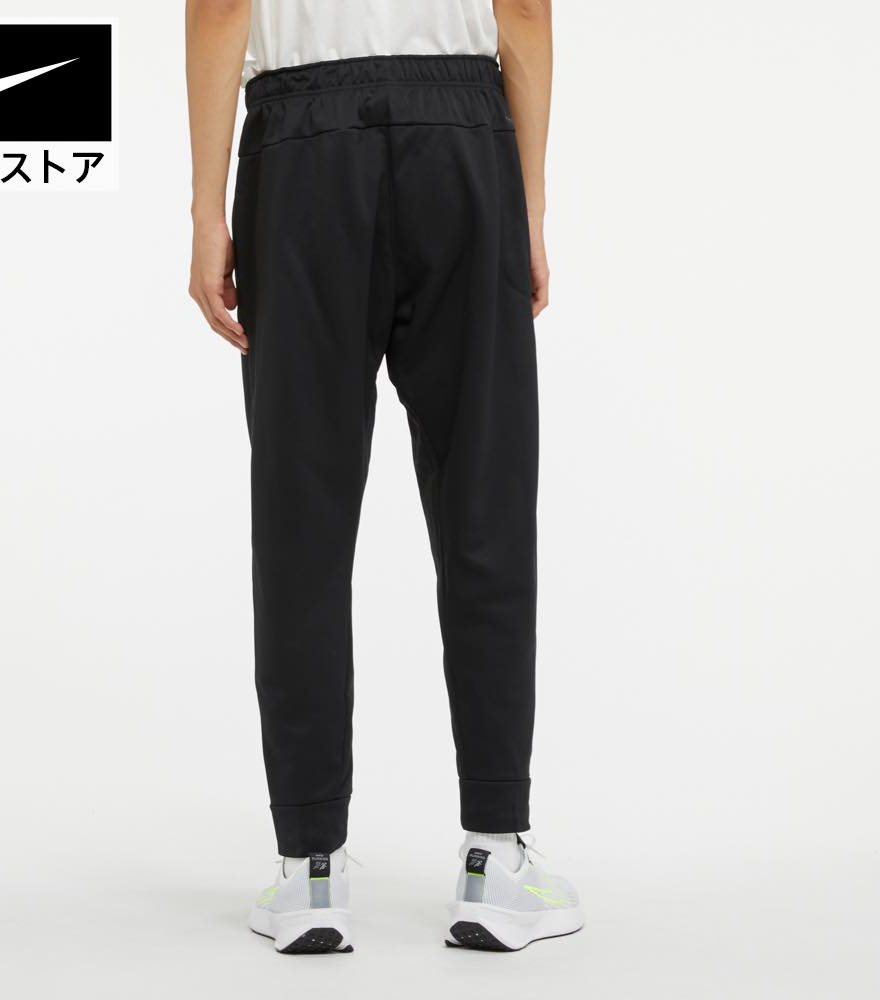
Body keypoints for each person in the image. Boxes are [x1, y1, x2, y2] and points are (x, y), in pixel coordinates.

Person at [186, 0, 583, 953]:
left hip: (299, 150)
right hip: (462, 141)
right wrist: (525, 202)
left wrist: (206, 209)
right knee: (484, 496)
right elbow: (523, 9)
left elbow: (221, 7)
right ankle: (495, 860)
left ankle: (309, 871)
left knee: (301, 516)